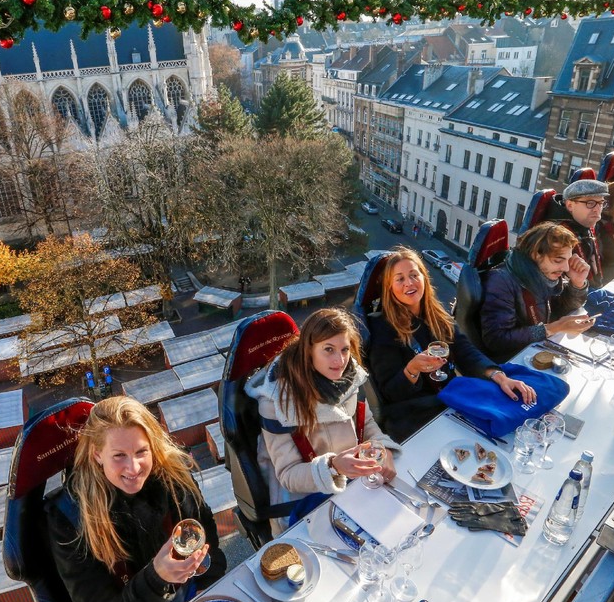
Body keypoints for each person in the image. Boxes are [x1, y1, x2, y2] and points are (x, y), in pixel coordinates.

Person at [46, 397, 226, 602]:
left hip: (190, 596)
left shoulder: (174, 478)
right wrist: (156, 577)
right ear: (97, 454)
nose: (133, 468)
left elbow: (204, 531)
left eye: (141, 452)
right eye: (119, 455)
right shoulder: (70, 517)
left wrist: (207, 586)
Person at [244, 308, 399, 535]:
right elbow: (287, 475)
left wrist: (382, 448)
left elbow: (364, 424)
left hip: (351, 487)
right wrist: (333, 466)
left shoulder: (347, 378)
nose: (340, 360)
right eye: (329, 350)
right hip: (305, 504)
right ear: (309, 350)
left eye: (345, 349)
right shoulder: (276, 402)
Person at [367, 248, 537, 441]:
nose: (409, 283)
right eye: (400, 279)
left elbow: (466, 352)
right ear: (389, 287)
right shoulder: (382, 327)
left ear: (424, 278)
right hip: (416, 413)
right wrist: (412, 370)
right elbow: (390, 393)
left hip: (450, 400)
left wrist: (499, 376)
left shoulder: (436, 314)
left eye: (414, 275)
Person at [479, 223, 594, 363]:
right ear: (535, 254)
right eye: (558, 260)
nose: (565, 267)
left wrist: (577, 283)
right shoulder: (501, 282)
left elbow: (562, 307)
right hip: (512, 362)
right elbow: (497, 340)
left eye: (568, 260)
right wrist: (552, 328)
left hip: (534, 351)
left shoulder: (542, 274)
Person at [545, 178, 609, 289]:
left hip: (590, 289)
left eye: (601, 203)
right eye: (591, 203)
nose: (597, 209)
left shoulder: (586, 226)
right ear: (570, 205)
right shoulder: (556, 235)